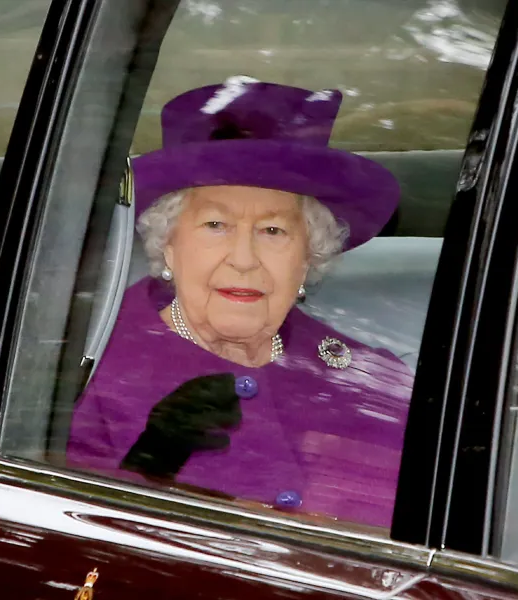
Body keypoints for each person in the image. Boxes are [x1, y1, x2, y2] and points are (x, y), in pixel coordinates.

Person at [67, 77, 414, 528]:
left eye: (274, 231)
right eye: (216, 225)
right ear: (168, 244)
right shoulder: (84, 373)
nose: (245, 260)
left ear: (308, 256)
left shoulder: (375, 383)